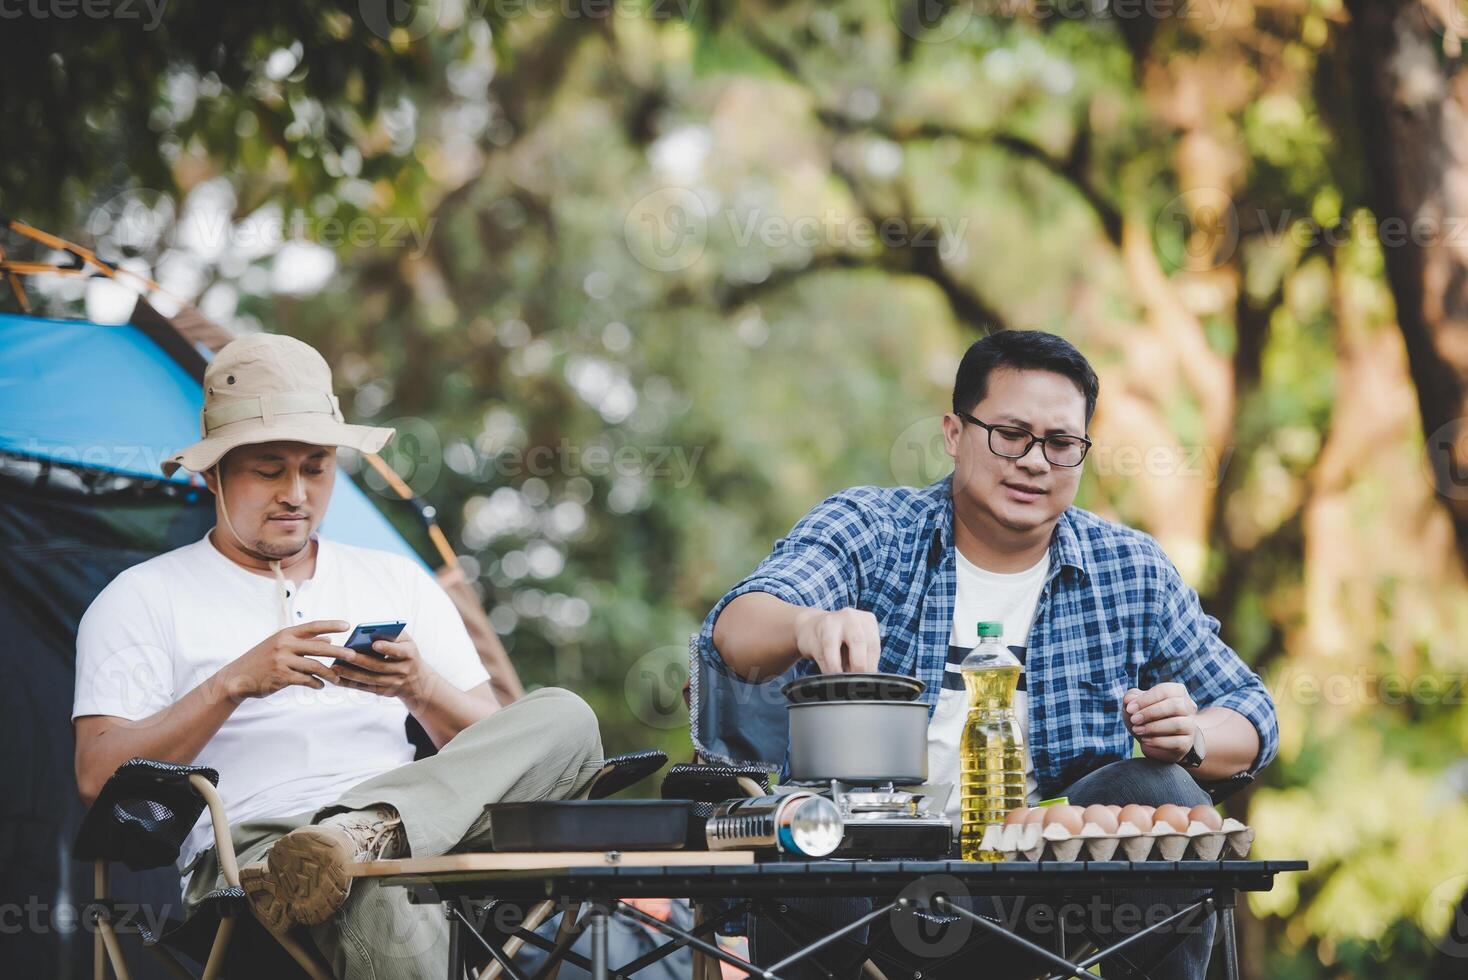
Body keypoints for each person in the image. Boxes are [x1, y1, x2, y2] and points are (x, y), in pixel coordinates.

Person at [701, 330, 1278, 979]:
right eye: (1010, 433)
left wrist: (1193, 733)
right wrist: (809, 622)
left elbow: (1251, 714)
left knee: (1159, 787)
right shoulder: (872, 530)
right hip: (855, 875)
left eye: (1060, 444)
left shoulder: (1129, 570)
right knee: (810, 828)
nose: (1035, 462)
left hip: (1033, 894)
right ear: (954, 432)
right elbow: (735, 628)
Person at [72, 333, 605, 979]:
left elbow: (496, 747)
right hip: (260, 858)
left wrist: (420, 687)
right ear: (212, 473)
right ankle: (349, 846)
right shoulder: (142, 597)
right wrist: (231, 684)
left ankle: (367, 828)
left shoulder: (398, 579)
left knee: (566, 718)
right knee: (369, 891)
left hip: (421, 837)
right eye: (269, 469)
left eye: (317, 467)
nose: (296, 492)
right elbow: (98, 776)